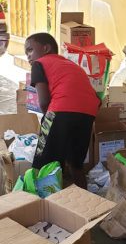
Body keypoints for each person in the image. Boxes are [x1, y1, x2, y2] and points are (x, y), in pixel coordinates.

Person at [24, 32, 100, 188]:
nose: (28, 56)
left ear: (46, 48)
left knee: (42, 163)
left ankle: (40, 202)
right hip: (87, 113)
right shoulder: (72, 65)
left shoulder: (40, 64)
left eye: (30, 50)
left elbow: (44, 101)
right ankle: (84, 202)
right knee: (76, 164)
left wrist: (48, 123)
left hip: (59, 110)